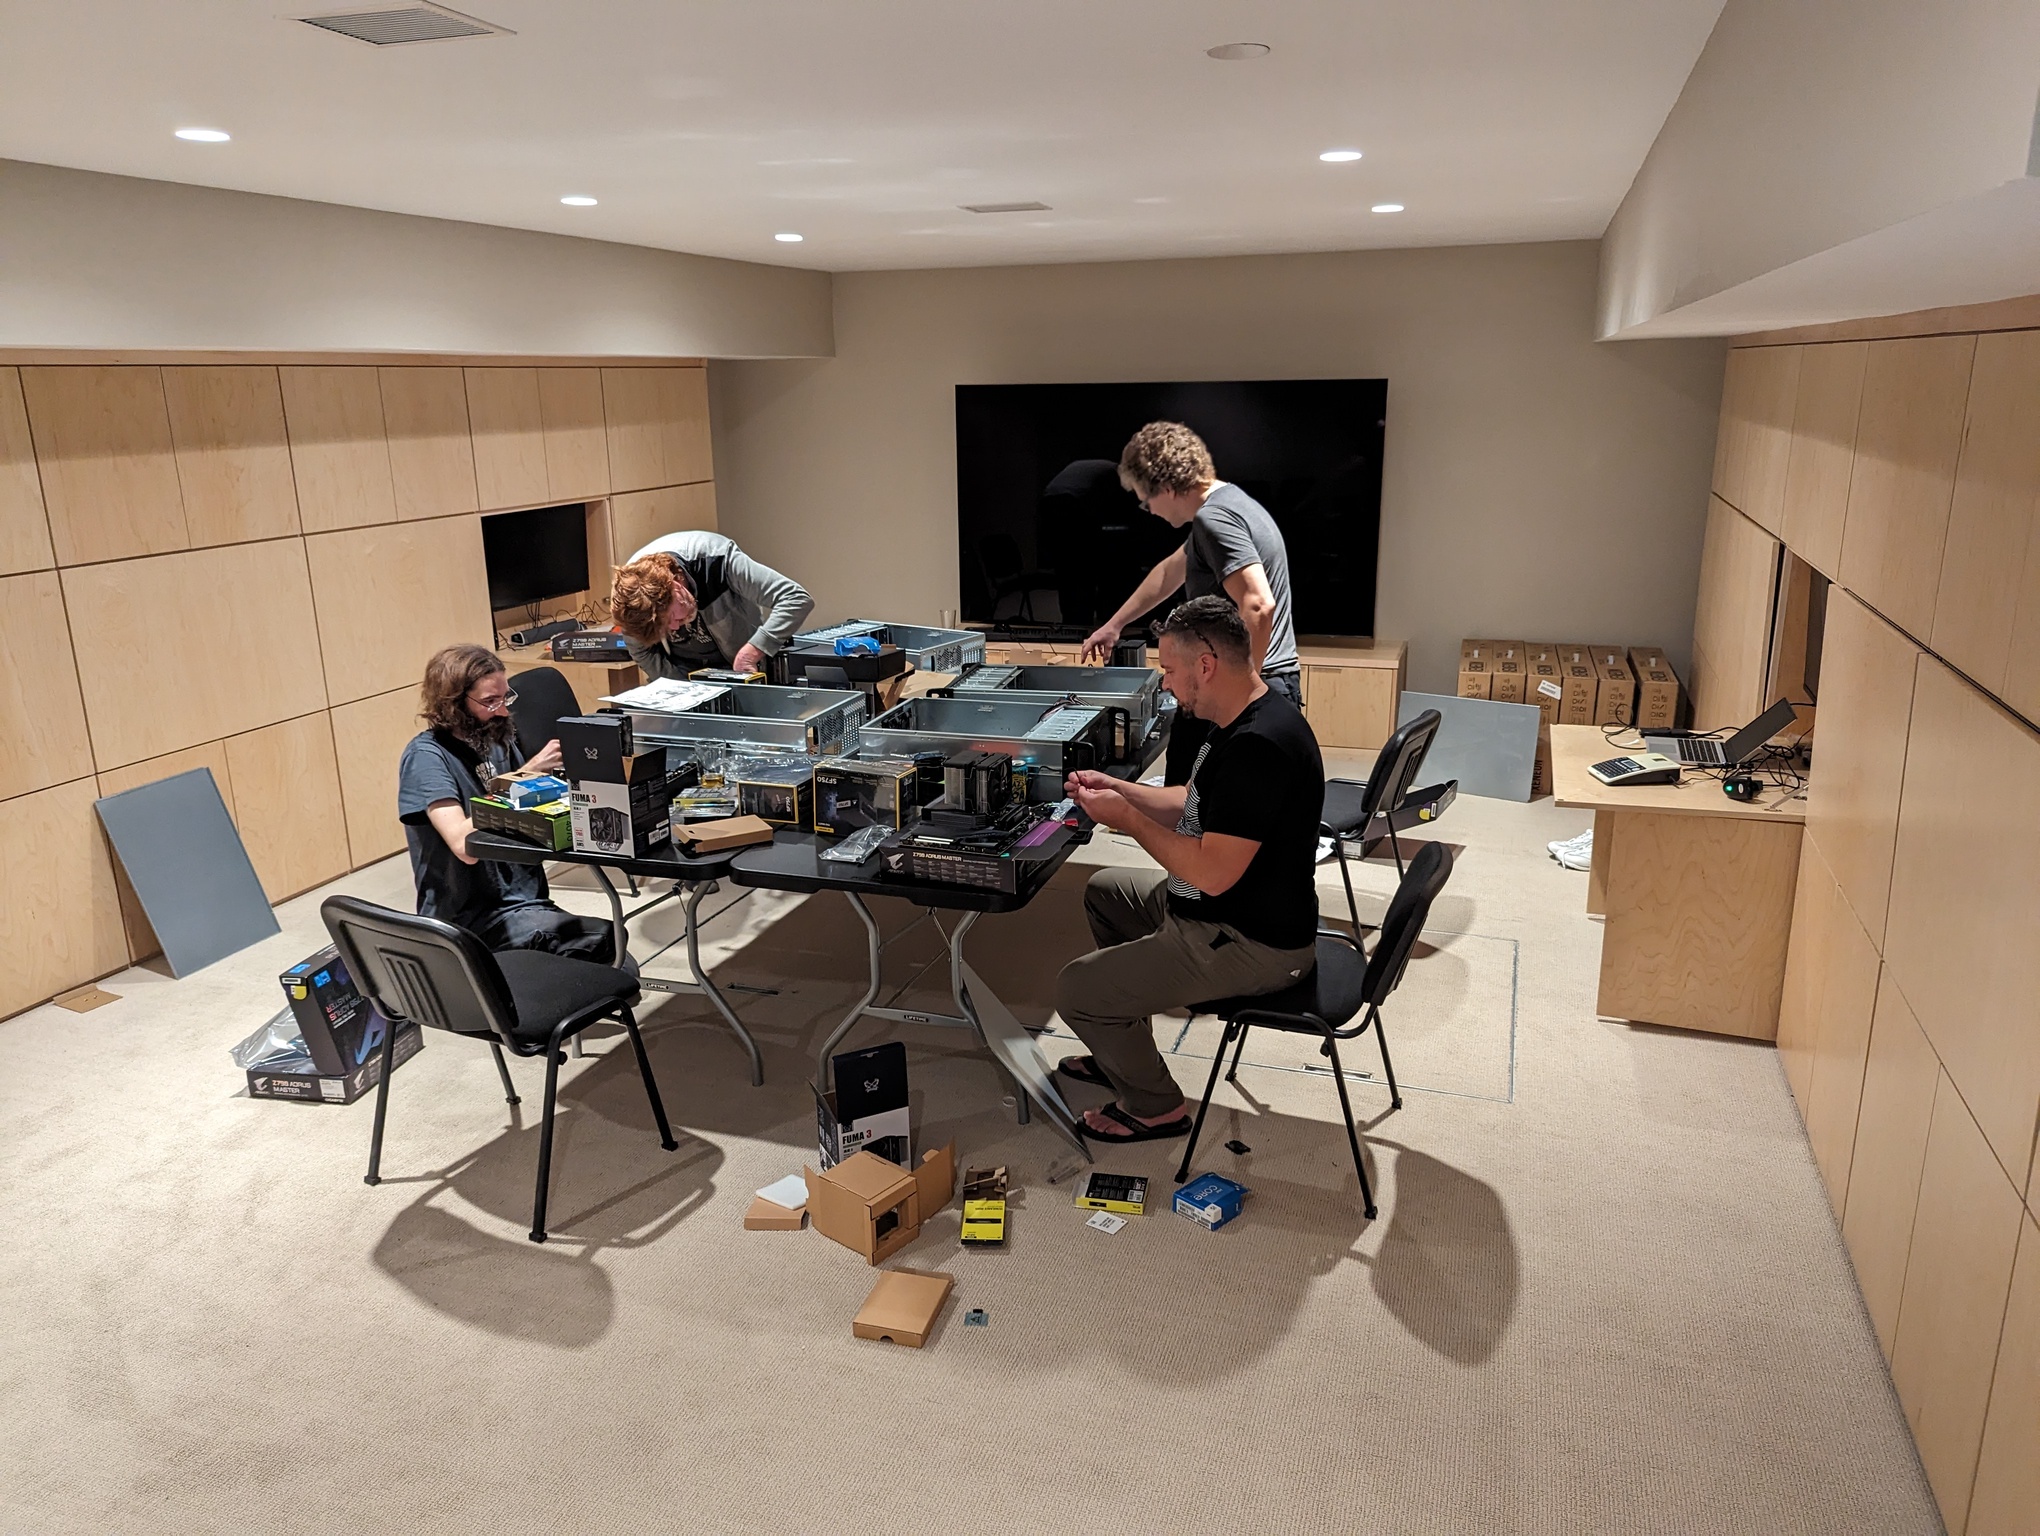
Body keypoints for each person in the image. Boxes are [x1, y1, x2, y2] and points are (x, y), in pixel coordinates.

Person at [1055, 596, 1324, 1142]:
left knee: (1075, 990)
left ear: (1205, 665)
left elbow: (1211, 874)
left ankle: (1156, 1107)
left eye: (1170, 671)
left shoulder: (1261, 745)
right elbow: (1193, 802)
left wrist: (1127, 819)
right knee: (1106, 891)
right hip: (1226, 908)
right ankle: (1121, 1049)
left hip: (1254, 941)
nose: (1168, 685)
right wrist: (1119, 789)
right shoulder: (1238, 714)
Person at [1078, 421, 1302, 783]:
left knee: (1199, 814)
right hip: (1264, 681)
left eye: (1144, 498)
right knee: (1212, 811)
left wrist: (1244, 693)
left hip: (1242, 686)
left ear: (1166, 487)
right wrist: (1113, 625)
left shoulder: (1215, 518)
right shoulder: (1229, 505)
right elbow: (1170, 572)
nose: (1146, 509)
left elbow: (1259, 605)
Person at [396, 644, 618, 962]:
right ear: (453, 704)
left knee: (618, 957)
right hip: (474, 923)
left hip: (526, 904)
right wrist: (523, 778)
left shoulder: (496, 736)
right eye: (490, 702)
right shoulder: (426, 758)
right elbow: (462, 843)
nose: (502, 710)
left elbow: (527, 809)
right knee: (608, 945)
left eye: (505, 698)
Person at [610, 530, 815, 681]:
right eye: (665, 627)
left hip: (738, 669)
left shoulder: (717, 559)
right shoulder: (631, 596)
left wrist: (753, 651)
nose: (673, 628)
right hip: (683, 676)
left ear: (675, 586)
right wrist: (679, 687)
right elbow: (641, 650)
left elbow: (795, 598)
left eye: (672, 617)